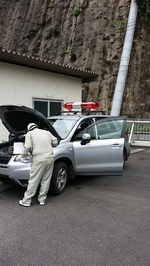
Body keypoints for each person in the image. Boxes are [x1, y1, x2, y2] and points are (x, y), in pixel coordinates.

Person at [19, 123, 58, 207]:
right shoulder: (47, 132)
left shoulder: (30, 134)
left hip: (39, 159)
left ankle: (26, 201)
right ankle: (42, 200)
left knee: (34, 180)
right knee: (46, 180)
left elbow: (27, 147)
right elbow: (55, 142)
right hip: (50, 158)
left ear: (29, 129)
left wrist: (23, 156)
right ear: (37, 127)